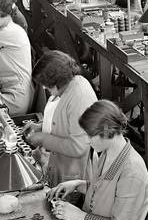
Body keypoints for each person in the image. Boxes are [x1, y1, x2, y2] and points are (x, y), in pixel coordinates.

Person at [24, 51, 95, 184]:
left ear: (57, 80)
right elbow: (64, 123)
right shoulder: (68, 86)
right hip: (56, 165)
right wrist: (41, 126)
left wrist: (44, 139)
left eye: (46, 84)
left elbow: (78, 147)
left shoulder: (79, 97)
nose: (44, 87)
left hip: (70, 176)